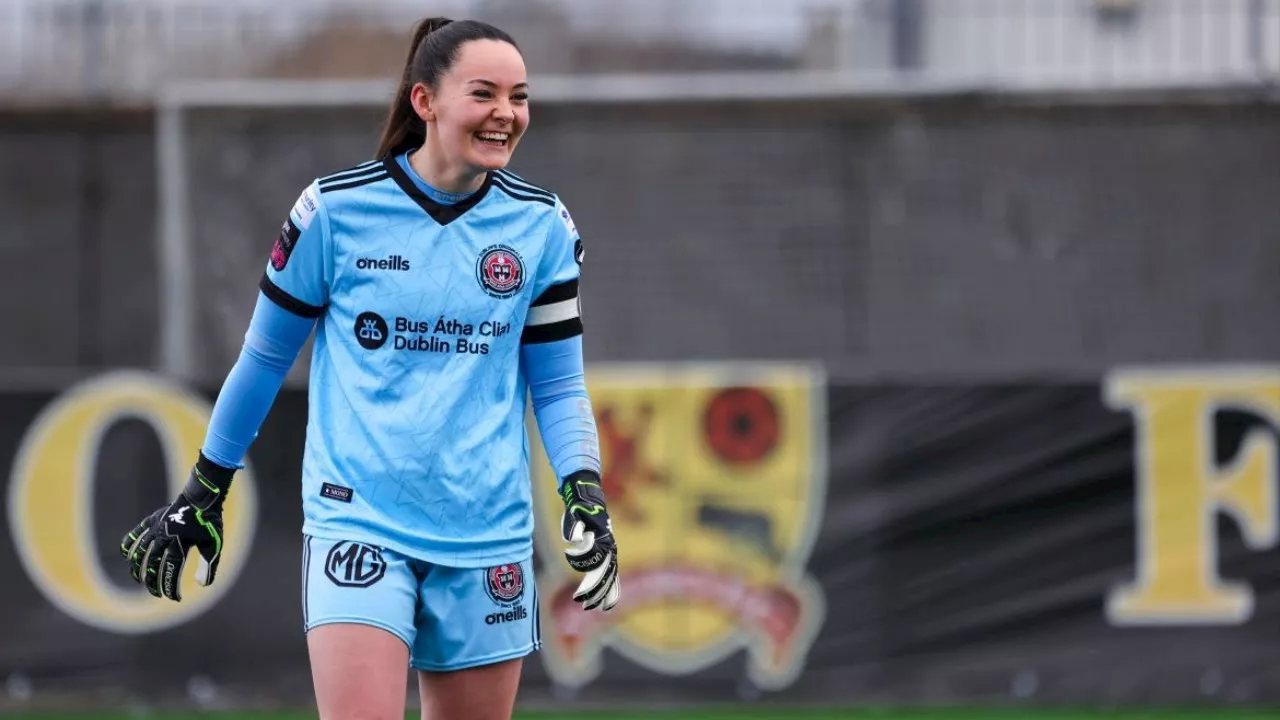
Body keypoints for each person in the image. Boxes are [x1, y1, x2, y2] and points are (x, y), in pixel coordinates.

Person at [118, 16, 619, 720]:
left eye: (520, 96)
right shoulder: (334, 211)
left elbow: (559, 385)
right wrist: (206, 486)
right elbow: (263, 360)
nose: (507, 113)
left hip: (487, 535)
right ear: (426, 102)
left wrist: (583, 493)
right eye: (485, 93)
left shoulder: (542, 228)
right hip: (360, 526)